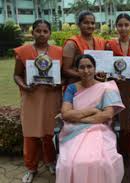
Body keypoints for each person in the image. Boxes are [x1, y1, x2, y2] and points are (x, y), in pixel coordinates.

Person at [56, 54, 125, 183]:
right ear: (77, 70)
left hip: (100, 130)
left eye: (89, 66)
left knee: (101, 161)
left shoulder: (106, 87)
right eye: (82, 67)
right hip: (73, 132)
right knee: (70, 162)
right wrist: (92, 110)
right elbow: (66, 114)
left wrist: (77, 117)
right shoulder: (71, 88)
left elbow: (107, 115)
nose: (86, 71)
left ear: (95, 68)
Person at [13, 19, 62, 183]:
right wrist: (24, 86)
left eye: (45, 31)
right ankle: (31, 167)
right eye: (38, 31)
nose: (41, 34)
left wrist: (59, 83)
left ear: (50, 33)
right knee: (30, 134)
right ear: (32, 32)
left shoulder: (58, 51)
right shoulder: (23, 51)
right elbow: (17, 75)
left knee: (50, 132)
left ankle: (50, 161)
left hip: (52, 97)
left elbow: (64, 75)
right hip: (31, 98)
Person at [105, 13, 130, 154]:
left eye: (126, 25)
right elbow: (107, 66)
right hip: (116, 87)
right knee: (119, 119)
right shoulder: (109, 44)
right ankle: (119, 150)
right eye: (120, 25)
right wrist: (113, 76)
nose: (123, 28)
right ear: (116, 27)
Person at [62, 10, 105, 84]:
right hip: (78, 86)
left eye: (92, 23)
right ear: (79, 25)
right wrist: (86, 75)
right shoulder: (71, 44)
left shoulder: (101, 41)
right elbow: (65, 70)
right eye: (86, 23)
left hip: (96, 85)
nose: (90, 26)